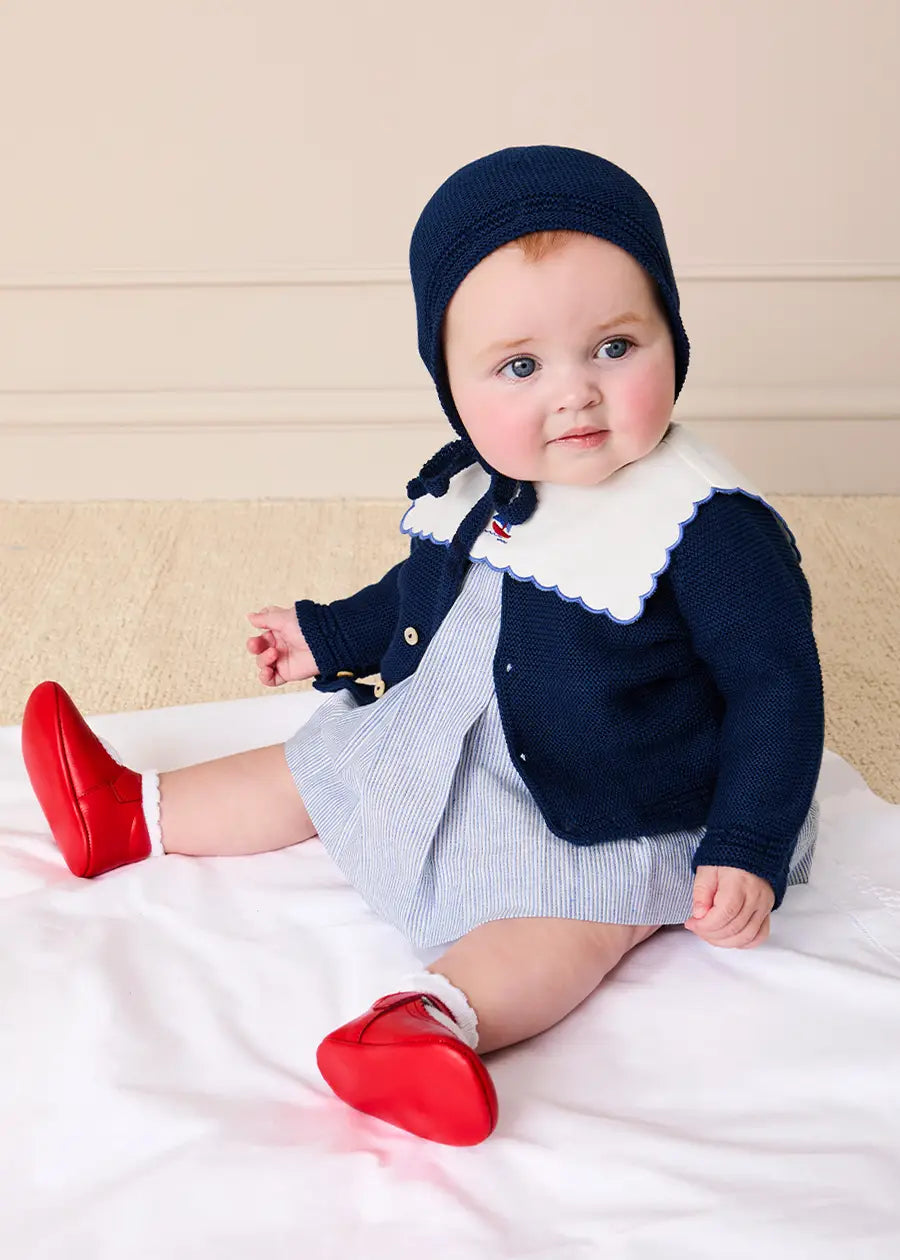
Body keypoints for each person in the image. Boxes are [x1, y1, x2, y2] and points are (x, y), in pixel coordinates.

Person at [20, 145, 825, 1148]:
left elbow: (777, 687)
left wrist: (746, 844)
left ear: (673, 332)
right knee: (325, 761)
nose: (574, 394)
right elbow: (422, 591)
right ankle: (127, 814)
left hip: (625, 796)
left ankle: (432, 1022)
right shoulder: (482, 488)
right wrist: (326, 633)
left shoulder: (703, 525)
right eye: (521, 366)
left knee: (578, 917)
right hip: (470, 729)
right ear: (451, 384)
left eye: (616, 346)